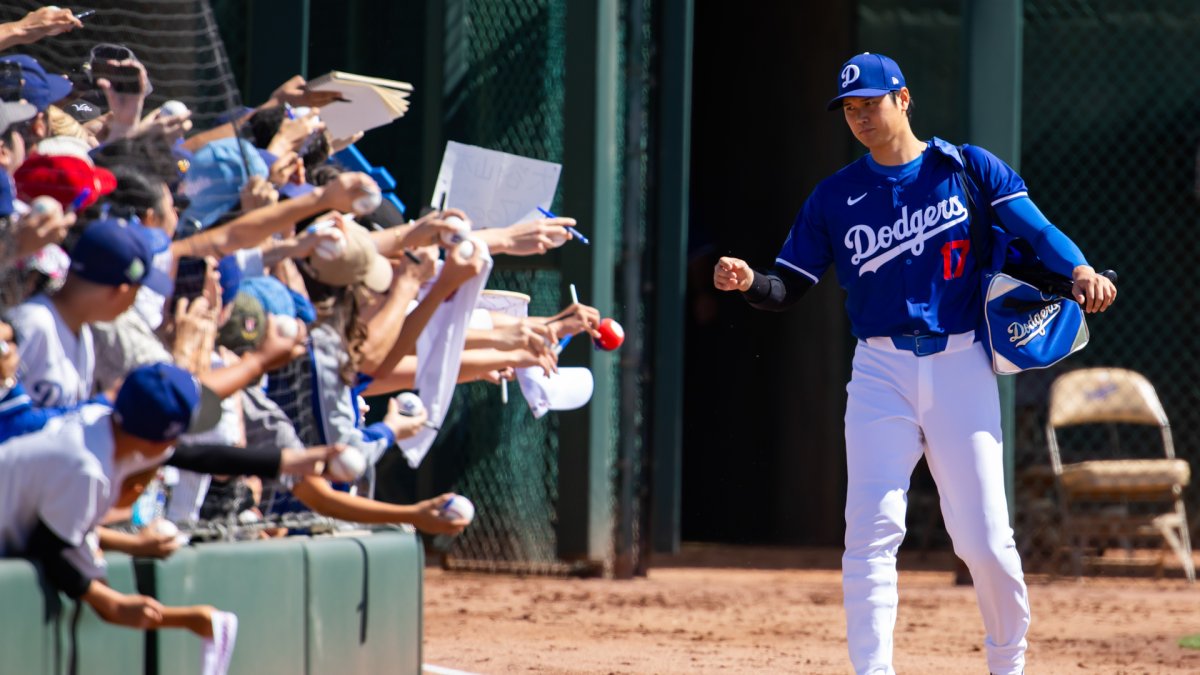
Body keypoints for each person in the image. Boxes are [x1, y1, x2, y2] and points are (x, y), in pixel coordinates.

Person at [712, 52, 1116, 675]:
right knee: (869, 535)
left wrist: (1081, 268)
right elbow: (788, 287)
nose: (860, 117)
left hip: (961, 364)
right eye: (850, 108)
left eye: (870, 103)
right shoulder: (836, 196)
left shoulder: (967, 167)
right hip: (879, 371)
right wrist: (749, 283)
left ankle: (1008, 663)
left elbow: (1037, 232)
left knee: (983, 543)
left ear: (903, 100)